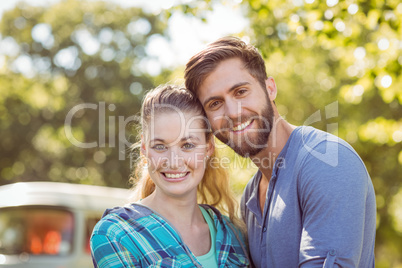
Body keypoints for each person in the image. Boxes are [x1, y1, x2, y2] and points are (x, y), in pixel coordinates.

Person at [184, 36, 376, 267]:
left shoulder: (325, 162)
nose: (233, 113)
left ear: (270, 88)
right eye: (215, 104)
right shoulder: (250, 197)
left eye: (241, 91)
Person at [90, 84, 250, 267]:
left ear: (208, 148)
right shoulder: (116, 234)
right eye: (160, 146)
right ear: (144, 148)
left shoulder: (234, 233)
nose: (174, 162)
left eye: (188, 145)